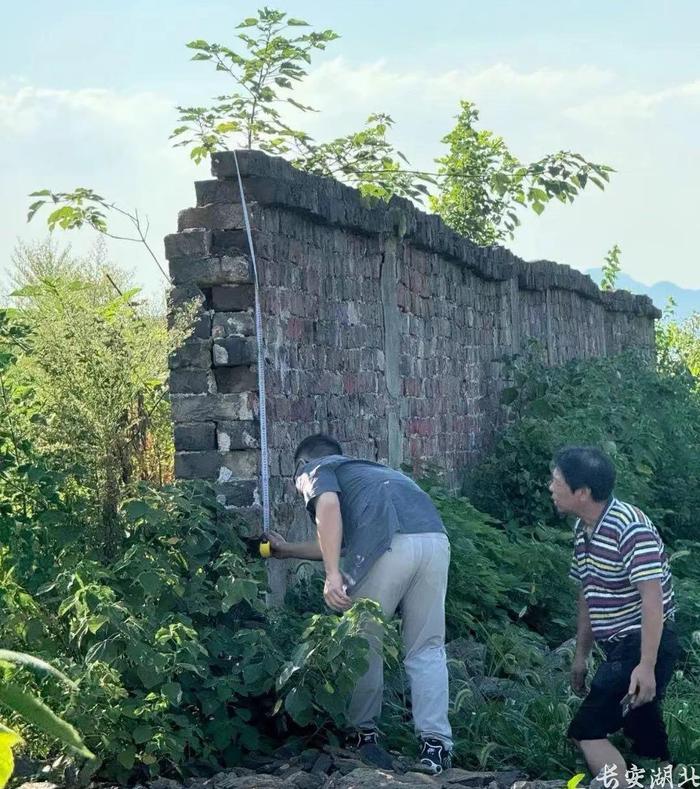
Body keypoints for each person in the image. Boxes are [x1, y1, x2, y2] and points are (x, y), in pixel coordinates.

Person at [267, 433, 453, 775]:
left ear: (300, 465)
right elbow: (339, 539)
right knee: (426, 648)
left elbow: (328, 509)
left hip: (389, 548)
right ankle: (435, 745)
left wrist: (332, 574)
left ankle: (363, 735)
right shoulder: (372, 472)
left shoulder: (313, 468)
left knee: (363, 642)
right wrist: (288, 550)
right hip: (434, 541)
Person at [549, 446, 678, 784]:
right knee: (643, 732)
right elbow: (588, 595)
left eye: (557, 481)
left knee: (586, 729)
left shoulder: (630, 527)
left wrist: (646, 665)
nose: (551, 487)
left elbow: (653, 599)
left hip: (644, 642)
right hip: (620, 645)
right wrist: (581, 655)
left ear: (583, 493)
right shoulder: (583, 532)